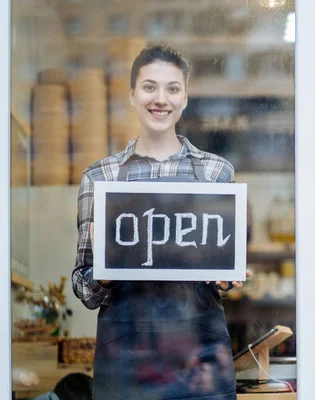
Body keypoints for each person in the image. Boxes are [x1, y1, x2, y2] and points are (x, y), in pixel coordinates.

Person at [71, 44, 250, 400]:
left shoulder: (216, 173)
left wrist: (231, 278)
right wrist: (105, 271)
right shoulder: (101, 177)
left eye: (172, 88)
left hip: (200, 363)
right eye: (149, 86)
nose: (161, 99)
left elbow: (229, 277)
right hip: (126, 364)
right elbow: (84, 287)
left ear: (185, 97)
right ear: (133, 95)